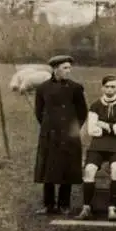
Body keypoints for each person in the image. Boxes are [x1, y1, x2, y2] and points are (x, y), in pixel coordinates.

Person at [34, 55, 88, 216]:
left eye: (69, 68)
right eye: (65, 68)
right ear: (55, 69)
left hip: (68, 135)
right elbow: (39, 112)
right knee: (48, 169)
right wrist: (49, 126)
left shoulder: (76, 88)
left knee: (67, 168)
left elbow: (82, 112)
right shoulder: (42, 88)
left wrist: (71, 129)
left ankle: (64, 204)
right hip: (49, 134)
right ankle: (48, 204)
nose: (68, 71)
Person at [76, 75, 116, 220]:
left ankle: (112, 208)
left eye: (113, 86)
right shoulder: (95, 105)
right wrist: (114, 127)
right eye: (107, 86)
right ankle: (86, 207)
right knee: (89, 170)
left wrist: (104, 125)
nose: (110, 89)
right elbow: (92, 130)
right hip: (97, 146)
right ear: (102, 88)